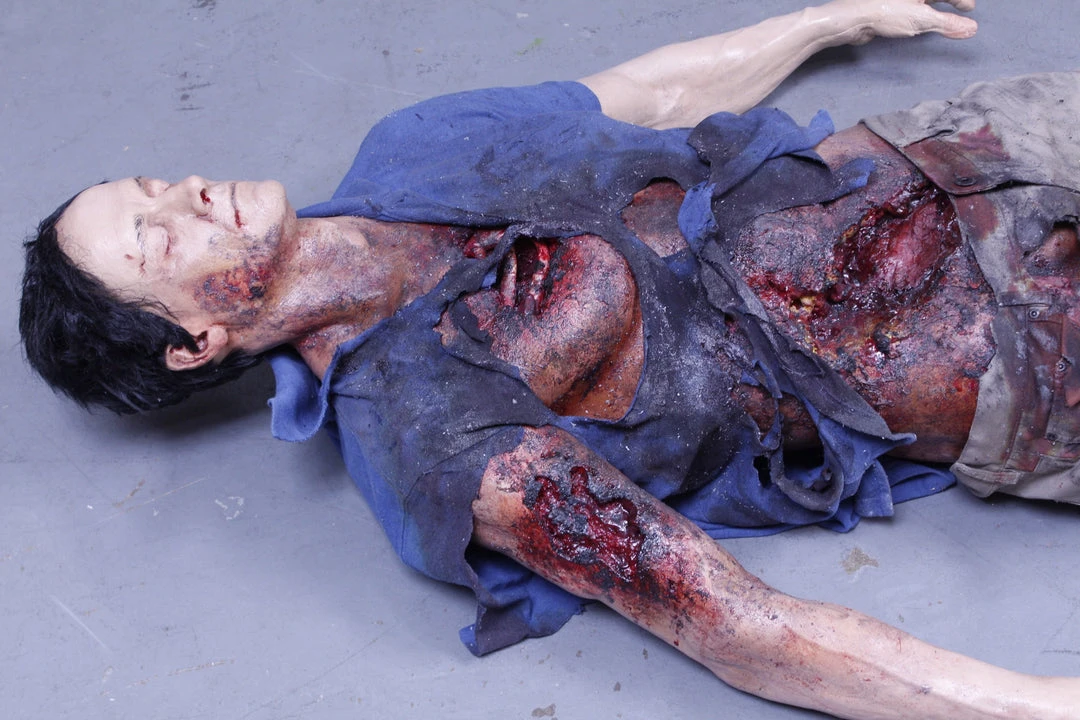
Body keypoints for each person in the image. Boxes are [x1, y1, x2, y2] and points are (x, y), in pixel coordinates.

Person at [18, 0, 1080, 717]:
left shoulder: (414, 142)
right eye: (156, 238)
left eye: (152, 185)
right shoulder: (431, 433)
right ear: (195, 343)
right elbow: (723, 613)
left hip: (976, 141)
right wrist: (1037, 705)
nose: (187, 194)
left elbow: (648, 94)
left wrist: (827, 18)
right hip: (1027, 355)